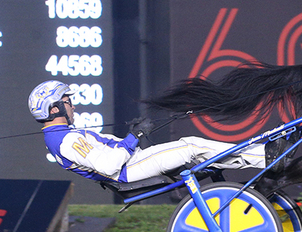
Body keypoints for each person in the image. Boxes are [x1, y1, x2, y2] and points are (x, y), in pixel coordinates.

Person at [28, 80, 282, 183]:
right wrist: (133, 136)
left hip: (131, 164)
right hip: (128, 170)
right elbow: (107, 166)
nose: (72, 105)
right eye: (67, 101)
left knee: (197, 151)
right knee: (192, 146)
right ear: (54, 109)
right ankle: (265, 157)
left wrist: (130, 138)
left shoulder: (62, 137)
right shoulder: (66, 140)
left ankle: (261, 157)